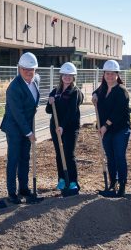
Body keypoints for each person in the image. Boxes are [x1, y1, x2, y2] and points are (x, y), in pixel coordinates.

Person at [0, 52, 40, 204]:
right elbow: (18, 114)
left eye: (32, 69)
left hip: (26, 126)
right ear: (19, 68)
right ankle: (11, 192)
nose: (29, 72)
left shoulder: (35, 79)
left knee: (25, 158)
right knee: (14, 158)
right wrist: (29, 132)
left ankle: (23, 188)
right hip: (14, 127)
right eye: (25, 69)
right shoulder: (14, 88)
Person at [92, 59, 131, 198]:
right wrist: (94, 95)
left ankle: (122, 185)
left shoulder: (121, 91)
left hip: (120, 129)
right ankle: (112, 184)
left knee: (119, 156)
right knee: (110, 157)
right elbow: (96, 92)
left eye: (112, 74)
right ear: (104, 74)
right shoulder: (102, 88)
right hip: (106, 130)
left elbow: (118, 112)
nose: (109, 76)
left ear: (117, 74)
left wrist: (105, 126)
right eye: (107, 73)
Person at [45, 62, 83, 192]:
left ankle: (73, 181)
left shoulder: (75, 92)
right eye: (65, 75)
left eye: (70, 75)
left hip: (70, 127)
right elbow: (48, 110)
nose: (67, 77)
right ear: (61, 76)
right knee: (59, 154)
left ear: (74, 77)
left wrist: (62, 126)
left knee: (68, 154)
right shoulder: (55, 91)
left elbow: (71, 112)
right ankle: (61, 179)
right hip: (55, 127)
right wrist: (50, 103)